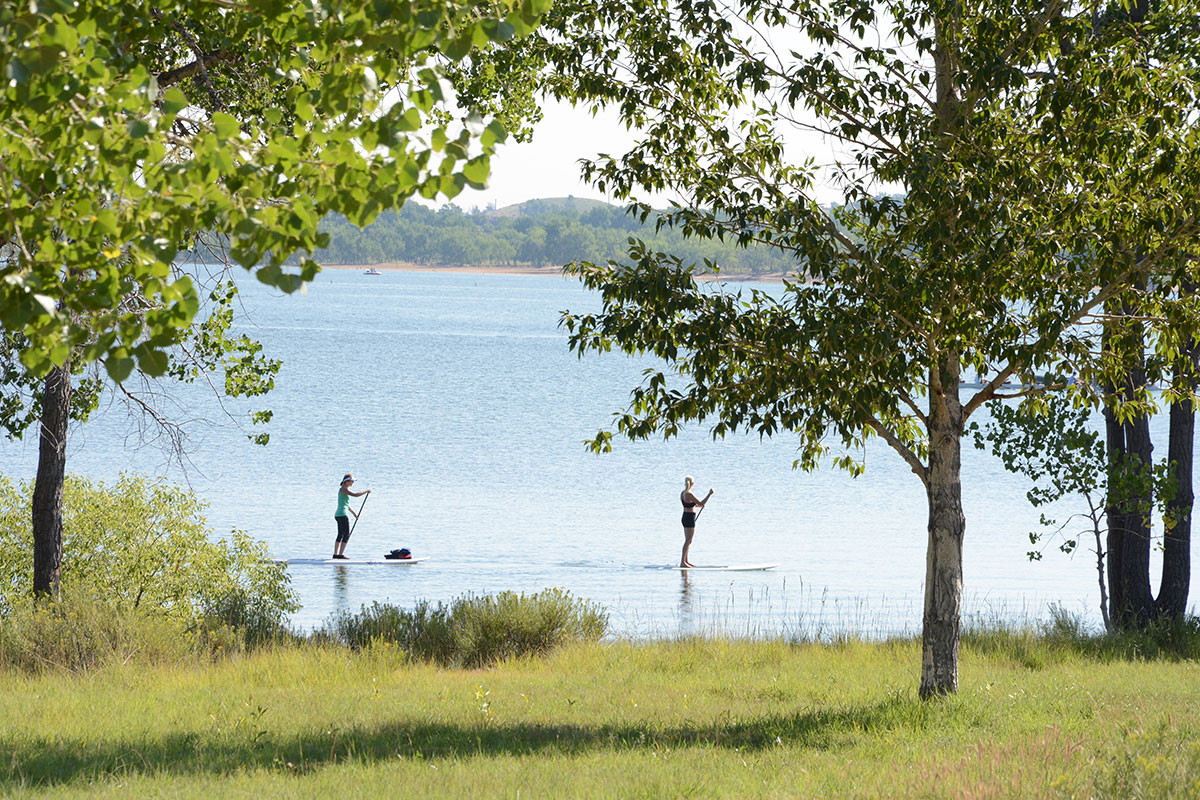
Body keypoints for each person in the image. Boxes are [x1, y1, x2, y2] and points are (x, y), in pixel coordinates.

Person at [333, 473, 371, 559]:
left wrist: (354, 514)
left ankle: (335, 555)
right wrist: (366, 491)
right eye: (352, 481)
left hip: (338, 514)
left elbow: (346, 505)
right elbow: (355, 495)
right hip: (342, 515)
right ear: (346, 482)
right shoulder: (344, 489)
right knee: (346, 535)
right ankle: (340, 555)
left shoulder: (342, 490)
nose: (353, 483)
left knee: (340, 534)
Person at [679, 476, 713, 568]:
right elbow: (701, 503)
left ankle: (686, 561)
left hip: (685, 516)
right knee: (688, 540)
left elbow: (689, 505)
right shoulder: (689, 494)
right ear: (692, 483)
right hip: (689, 518)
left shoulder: (683, 493)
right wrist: (709, 494)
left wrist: (698, 506)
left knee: (688, 540)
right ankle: (682, 562)